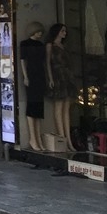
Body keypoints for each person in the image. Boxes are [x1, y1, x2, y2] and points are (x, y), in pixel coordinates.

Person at [45, 23, 77, 152]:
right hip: (57, 77)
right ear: (57, 32)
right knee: (59, 107)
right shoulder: (50, 46)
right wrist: (51, 78)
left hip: (67, 77)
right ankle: (62, 138)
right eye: (62, 30)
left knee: (66, 108)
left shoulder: (63, 46)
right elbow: (47, 63)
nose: (64, 33)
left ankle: (68, 139)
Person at [19, 21, 47, 151]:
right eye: (38, 31)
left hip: (40, 75)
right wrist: (25, 76)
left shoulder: (41, 45)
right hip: (31, 75)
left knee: (39, 106)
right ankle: (32, 138)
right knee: (32, 104)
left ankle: (38, 138)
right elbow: (23, 61)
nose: (40, 33)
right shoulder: (24, 44)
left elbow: (44, 61)